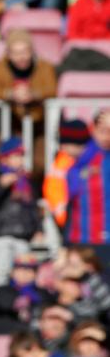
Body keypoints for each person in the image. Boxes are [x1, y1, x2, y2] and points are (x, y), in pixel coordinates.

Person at [0, 138, 41, 285]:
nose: (20, 160)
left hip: (23, 236)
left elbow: (33, 207)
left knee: (25, 273)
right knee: (2, 272)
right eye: (16, 156)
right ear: (5, 159)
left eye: (22, 156)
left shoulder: (26, 180)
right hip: (3, 234)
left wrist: (38, 228)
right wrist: (1, 185)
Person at [0, 28, 57, 128]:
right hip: (6, 123)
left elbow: (52, 90)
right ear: (8, 54)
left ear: (32, 50)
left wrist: (33, 94)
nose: (21, 57)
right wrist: (11, 94)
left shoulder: (45, 67)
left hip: (38, 122)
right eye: (15, 53)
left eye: (24, 51)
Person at [65, 109, 110, 259]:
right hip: (84, 237)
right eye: (102, 130)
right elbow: (70, 193)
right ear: (93, 130)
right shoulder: (81, 159)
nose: (106, 136)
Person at [0, 254, 54, 335]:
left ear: (36, 274)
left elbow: (49, 304)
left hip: (32, 337)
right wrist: (24, 298)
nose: (25, 272)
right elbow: (5, 303)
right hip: (5, 337)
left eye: (30, 269)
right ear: (12, 272)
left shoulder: (42, 293)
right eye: (20, 268)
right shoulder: (2, 290)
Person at [43, 119, 90, 230]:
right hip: (71, 221)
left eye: (65, 143)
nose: (62, 147)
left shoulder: (93, 161)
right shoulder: (63, 163)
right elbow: (53, 190)